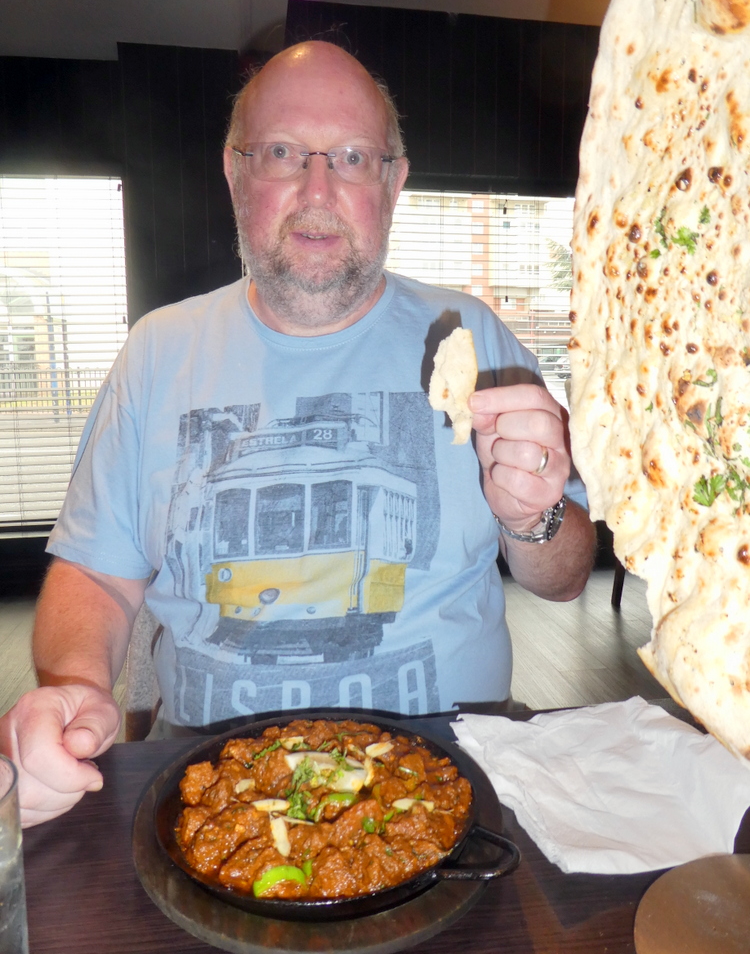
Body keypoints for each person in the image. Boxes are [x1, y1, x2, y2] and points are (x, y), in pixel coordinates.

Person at [0, 41, 596, 827]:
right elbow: (95, 574)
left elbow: (565, 578)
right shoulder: (157, 353)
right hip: (212, 788)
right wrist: (76, 688)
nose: (319, 189)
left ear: (393, 182)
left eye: (352, 157)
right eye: (283, 152)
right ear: (234, 173)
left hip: (459, 773)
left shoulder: (473, 337)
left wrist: (535, 518)